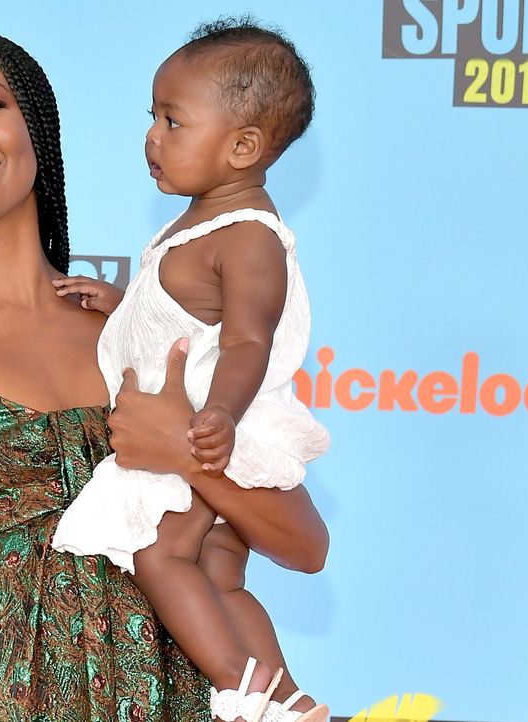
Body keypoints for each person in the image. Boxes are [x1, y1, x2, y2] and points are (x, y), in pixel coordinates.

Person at [0, 27, 329, 722]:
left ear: (38, 128)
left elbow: (304, 546)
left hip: (164, 692)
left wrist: (180, 448)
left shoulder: (140, 338)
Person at [49, 18, 331, 722]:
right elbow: (187, 318)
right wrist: (122, 307)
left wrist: (219, 421)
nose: (153, 136)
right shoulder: (203, 220)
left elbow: (246, 345)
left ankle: (243, 689)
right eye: (153, 116)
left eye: (173, 121)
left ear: (243, 147)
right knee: (221, 579)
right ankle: (288, 698)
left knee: (161, 559)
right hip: (203, 425)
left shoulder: (248, 237)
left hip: (211, 429)